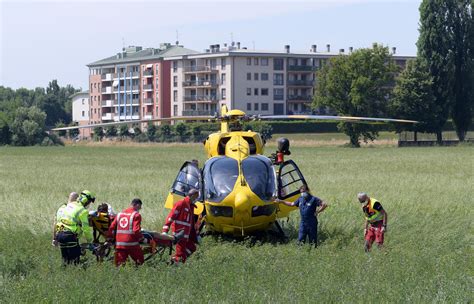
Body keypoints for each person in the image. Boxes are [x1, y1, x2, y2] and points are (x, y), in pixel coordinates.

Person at [55, 190, 96, 265]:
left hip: (60, 235)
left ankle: (64, 273)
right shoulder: (83, 211)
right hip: (69, 236)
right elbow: (86, 229)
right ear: (86, 201)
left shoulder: (70, 205)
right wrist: (90, 242)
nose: (89, 204)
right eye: (89, 202)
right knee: (75, 263)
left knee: (65, 261)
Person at [162, 189, 200, 264]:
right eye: (196, 197)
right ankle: (176, 263)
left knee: (192, 247)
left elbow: (191, 223)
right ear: (192, 196)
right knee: (181, 254)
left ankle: (174, 260)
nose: (196, 200)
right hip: (179, 234)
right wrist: (165, 231)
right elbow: (171, 217)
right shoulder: (181, 203)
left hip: (186, 235)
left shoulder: (190, 206)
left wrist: (195, 235)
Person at [108, 198, 144, 266]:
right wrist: (141, 238)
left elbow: (111, 227)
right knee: (140, 262)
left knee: (120, 265)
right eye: (140, 207)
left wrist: (110, 237)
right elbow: (136, 230)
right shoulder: (136, 215)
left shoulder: (119, 214)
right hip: (132, 244)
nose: (139, 209)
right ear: (137, 205)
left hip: (120, 244)